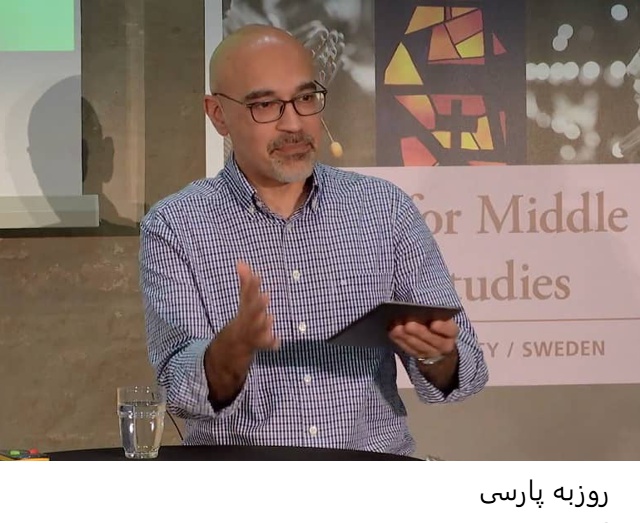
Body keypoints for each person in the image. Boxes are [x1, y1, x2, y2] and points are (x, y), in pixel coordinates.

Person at [139, 24, 488, 456]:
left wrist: (437, 355)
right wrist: (229, 352)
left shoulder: (384, 209)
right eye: (265, 104)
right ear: (218, 115)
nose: (293, 124)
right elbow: (176, 392)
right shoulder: (175, 225)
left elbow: (467, 372)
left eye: (305, 99)